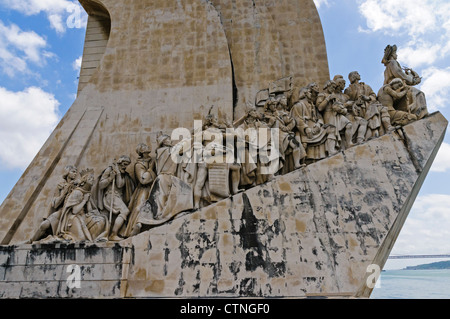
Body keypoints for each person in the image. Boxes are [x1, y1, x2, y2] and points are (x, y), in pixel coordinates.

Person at [29, 165, 79, 243]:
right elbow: (55, 204)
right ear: (67, 173)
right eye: (73, 171)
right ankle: (31, 241)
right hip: (61, 211)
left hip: (70, 212)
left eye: (76, 172)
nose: (75, 174)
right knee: (44, 225)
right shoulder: (60, 186)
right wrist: (64, 193)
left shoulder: (77, 186)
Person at [382, 44, 429, 120]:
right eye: (395, 53)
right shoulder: (393, 62)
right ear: (392, 54)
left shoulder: (387, 67)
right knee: (419, 93)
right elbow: (399, 74)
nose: (396, 55)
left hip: (395, 87)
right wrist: (413, 79)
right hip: (397, 87)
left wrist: (409, 76)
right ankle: (420, 115)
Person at [291, 86, 336, 163]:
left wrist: (318, 124)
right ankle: (301, 162)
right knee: (302, 143)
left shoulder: (313, 105)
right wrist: (306, 128)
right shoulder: (298, 105)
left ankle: (331, 152)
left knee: (331, 129)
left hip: (316, 128)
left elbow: (320, 117)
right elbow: (297, 119)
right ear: (304, 94)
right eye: (309, 92)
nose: (311, 94)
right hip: (305, 131)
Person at [97, 155, 135, 241]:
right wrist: (110, 178)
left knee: (123, 212)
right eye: (124, 164)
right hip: (111, 195)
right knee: (125, 211)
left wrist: (118, 173)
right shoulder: (110, 169)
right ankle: (113, 234)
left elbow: (120, 184)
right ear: (120, 162)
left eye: (127, 165)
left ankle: (113, 233)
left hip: (118, 196)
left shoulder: (122, 173)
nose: (125, 167)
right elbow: (101, 185)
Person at [122, 143, 156, 237]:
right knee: (138, 208)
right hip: (144, 189)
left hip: (155, 187)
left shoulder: (153, 160)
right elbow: (143, 180)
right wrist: (150, 169)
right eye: (145, 147)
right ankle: (132, 229)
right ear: (141, 151)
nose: (148, 147)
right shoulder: (138, 164)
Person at [316, 80, 354, 151]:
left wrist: (343, 107)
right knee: (333, 131)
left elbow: (338, 105)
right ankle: (332, 150)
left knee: (349, 125)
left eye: (334, 87)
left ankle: (349, 143)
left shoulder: (334, 96)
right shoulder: (322, 95)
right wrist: (328, 98)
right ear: (327, 86)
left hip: (337, 114)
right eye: (332, 87)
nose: (333, 89)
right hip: (328, 115)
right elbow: (320, 108)